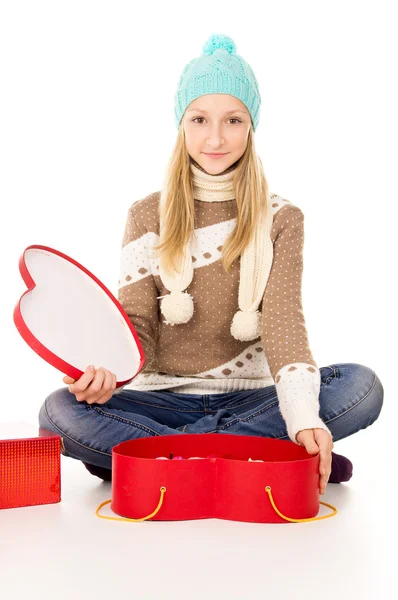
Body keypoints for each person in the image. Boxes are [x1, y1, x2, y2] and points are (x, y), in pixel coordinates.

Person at [38, 33, 383, 494]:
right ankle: (256, 457)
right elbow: (134, 327)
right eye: (200, 119)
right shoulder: (147, 213)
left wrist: (300, 416)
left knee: (361, 387)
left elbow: (284, 326)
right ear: (182, 124)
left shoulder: (283, 218)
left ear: (251, 126)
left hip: (256, 401)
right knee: (57, 411)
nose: (215, 137)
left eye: (233, 120)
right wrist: (104, 374)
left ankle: (159, 459)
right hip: (158, 400)